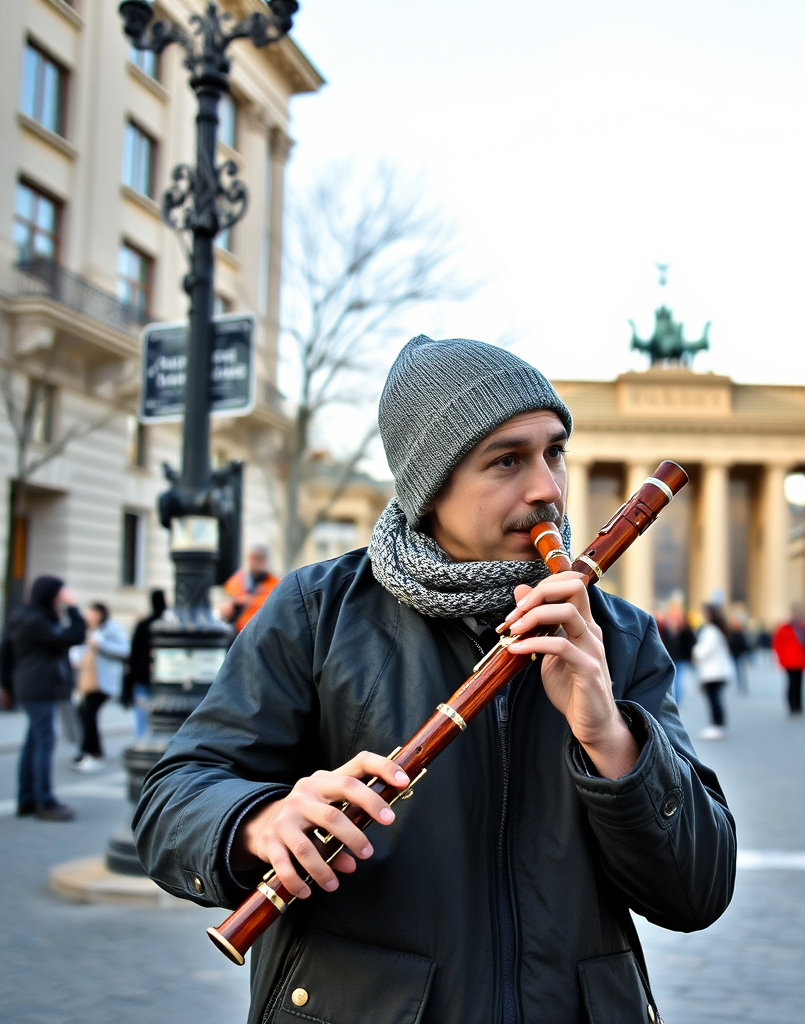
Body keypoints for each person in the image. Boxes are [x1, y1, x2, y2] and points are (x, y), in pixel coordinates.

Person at [134, 335, 736, 1024]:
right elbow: (172, 800)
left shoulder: (619, 637)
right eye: (506, 460)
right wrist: (261, 822)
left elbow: (698, 889)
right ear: (430, 486)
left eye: (553, 452)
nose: (548, 489)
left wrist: (612, 740)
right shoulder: (317, 611)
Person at [0, 576, 85, 820]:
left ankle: (27, 799)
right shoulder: (35, 621)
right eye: (59, 594)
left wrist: (7, 685)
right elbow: (73, 637)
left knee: (33, 742)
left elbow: (5, 652)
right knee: (44, 741)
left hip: (29, 686)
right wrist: (74, 607)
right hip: (39, 687)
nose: (61, 599)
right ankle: (44, 802)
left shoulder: (24, 616)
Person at [71, 602, 130, 772]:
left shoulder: (112, 629)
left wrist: (101, 644)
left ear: (99, 614)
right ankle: (88, 750)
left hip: (104, 682)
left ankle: (93, 752)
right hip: (87, 681)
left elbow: (124, 650)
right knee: (84, 713)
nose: (88, 617)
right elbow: (81, 651)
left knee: (89, 713)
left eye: (91, 614)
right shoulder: (88, 630)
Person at [122, 589, 167, 738]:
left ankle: (142, 741)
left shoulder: (144, 624)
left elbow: (133, 653)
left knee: (142, 715)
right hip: (162, 676)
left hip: (142, 676)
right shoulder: (168, 624)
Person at [691, 604, 735, 740]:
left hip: (713, 672)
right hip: (718, 671)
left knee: (713, 699)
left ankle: (717, 725)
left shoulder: (710, 631)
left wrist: (695, 652)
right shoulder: (717, 629)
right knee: (715, 698)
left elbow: (703, 650)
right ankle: (718, 724)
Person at [220, 545, 280, 634]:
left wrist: (249, 600)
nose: (257, 563)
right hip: (237, 631)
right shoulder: (237, 580)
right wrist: (234, 602)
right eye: (254, 558)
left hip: (260, 632)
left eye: (260, 558)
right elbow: (224, 609)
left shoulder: (274, 584)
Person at [772, 606, 805, 716]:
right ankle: (792, 705)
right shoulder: (785, 628)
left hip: (800, 660)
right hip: (789, 660)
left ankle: (799, 705)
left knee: (799, 683)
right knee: (791, 683)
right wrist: (780, 658)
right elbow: (778, 644)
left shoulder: (803, 628)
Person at [658, 599, 696, 704]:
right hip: (674, 656)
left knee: (677, 679)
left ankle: (676, 700)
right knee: (675, 679)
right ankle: (675, 699)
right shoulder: (668, 625)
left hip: (677, 656)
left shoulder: (681, 626)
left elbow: (690, 641)